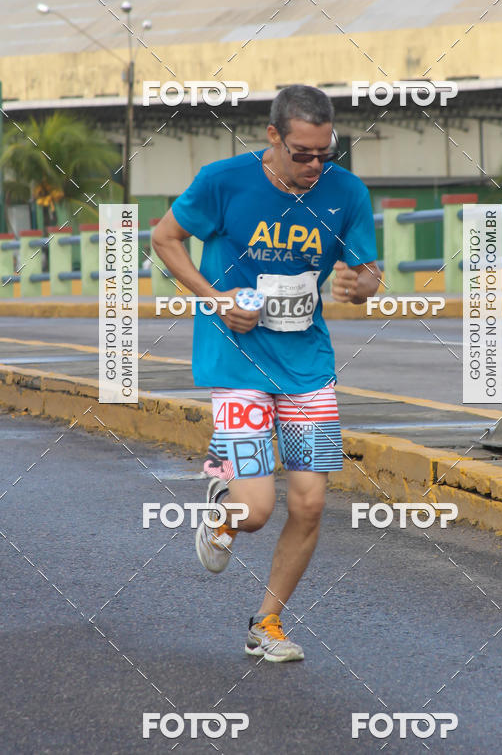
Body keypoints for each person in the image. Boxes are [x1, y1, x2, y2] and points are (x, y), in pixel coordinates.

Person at [152, 84, 381, 662]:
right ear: (273, 137)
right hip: (238, 359)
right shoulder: (223, 180)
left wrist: (363, 286)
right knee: (256, 510)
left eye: (325, 153)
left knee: (309, 503)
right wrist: (214, 297)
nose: (314, 165)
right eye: (302, 152)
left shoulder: (346, 193)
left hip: (307, 366)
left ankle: (267, 623)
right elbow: (165, 238)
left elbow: (366, 273)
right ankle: (225, 504)